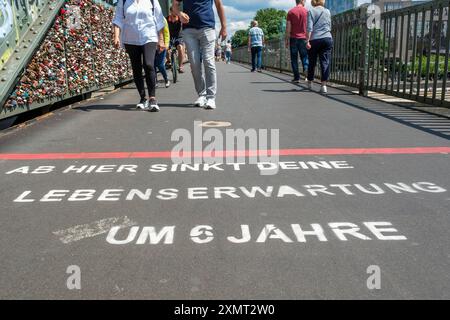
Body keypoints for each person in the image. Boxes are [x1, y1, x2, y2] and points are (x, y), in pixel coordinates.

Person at [172, 0, 227, 110]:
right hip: (189, 30)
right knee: (194, 63)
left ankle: (211, 97)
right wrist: (179, 13)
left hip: (207, 27)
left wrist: (224, 27)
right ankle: (202, 95)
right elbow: (174, 5)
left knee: (208, 61)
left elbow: (219, 5)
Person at [113, 0, 166, 111]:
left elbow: (159, 19)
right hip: (130, 39)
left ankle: (152, 98)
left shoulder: (152, 1)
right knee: (136, 67)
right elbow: (118, 19)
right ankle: (143, 98)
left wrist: (161, 39)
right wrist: (116, 37)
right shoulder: (123, 2)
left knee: (149, 64)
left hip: (149, 36)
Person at [306, 0, 333, 94]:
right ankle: (324, 85)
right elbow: (329, 26)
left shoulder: (311, 11)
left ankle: (310, 82)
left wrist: (307, 40)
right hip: (327, 38)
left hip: (315, 39)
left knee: (312, 62)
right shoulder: (327, 11)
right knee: (325, 62)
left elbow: (309, 27)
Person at [286, 0, 309, 83]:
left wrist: (287, 40)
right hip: (304, 38)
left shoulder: (291, 12)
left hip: (293, 38)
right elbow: (309, 27)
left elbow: (288, 28)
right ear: (302, 1)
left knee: (294, 58)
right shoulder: (307, 11)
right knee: (305, 56)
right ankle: (306, 72)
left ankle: (296, 77)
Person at [167, 6, 185, 73]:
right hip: (169, 37)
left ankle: (180, 66)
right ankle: (169, 61)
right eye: (173, 11)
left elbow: (186, 22)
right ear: (170, 12)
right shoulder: (166, 19)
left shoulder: (180, 18)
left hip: (178, 37)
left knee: (180, 47)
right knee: (166, 49)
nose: (175, 12)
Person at [155, 17, 171, 88]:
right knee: (152, 65)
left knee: (160, 65)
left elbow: (166, 32)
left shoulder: (162, 19)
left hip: (161, 45)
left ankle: (166, 79)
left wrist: (166, 44)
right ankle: (155, 81)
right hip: (151, 46)